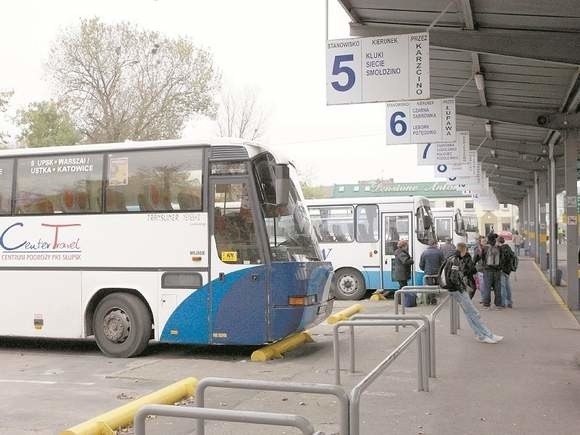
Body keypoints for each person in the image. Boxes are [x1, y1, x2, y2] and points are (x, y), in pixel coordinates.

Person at [443, 242, 503, 343]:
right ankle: (487, 334)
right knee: (474, 313)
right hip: (458, 291)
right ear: (464, 250)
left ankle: (480, 335)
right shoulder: (456, 260)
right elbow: (454, 278)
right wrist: (462, 286)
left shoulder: (452, 258)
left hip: (455, 290)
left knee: (469, 314)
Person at [473, 232, 503, 309]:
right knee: (497, 288)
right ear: (494, 239)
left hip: (487, 270)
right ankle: (498, 304)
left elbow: (478, 257)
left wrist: (474, 264)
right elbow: (503, 259)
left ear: (488, 239)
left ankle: (486, 304)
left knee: (487, 288)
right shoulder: (499, 248)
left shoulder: (485, 248)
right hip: (497, 271)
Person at [419, 239, 444, 304]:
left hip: (428, 272)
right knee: (437, 285)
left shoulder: (424, 253)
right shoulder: (439, 252)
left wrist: (424, 269)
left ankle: (430, 299)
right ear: (435, 244)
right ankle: (434, 298)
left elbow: (421, 264)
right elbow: (443, 262)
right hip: (437, 272)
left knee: (430, 286)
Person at [392, 240, 415, 306]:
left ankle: (400, 301)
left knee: (402, 287)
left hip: (401, 274)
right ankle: (400, 301)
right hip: (402, 274)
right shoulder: (401, 253)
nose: (407, 247)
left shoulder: (399, 252)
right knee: (403, 288)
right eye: (406, 246)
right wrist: (411, 260)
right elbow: (405, 261)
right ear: (403, 246)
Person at [498, 236, 515, 308]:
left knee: (503, 286)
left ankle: (503, 303)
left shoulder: (501, 249)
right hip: (508, 270)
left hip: (502, 270)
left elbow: (501, 260)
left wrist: (500, 268)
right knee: (507, 286)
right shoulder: (509, 248)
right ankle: (510, 302)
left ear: (498, 242)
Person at [473, 236, 486, 302]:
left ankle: (485, 298)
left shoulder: (488, 248)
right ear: (480, 242)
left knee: (484, 285)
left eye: (485, 241)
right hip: (481, 269)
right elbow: (474, 259)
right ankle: (483, 298)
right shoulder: (477, 249)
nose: (484, 242)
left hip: (487, 269)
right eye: (483, 241)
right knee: (482, 285)